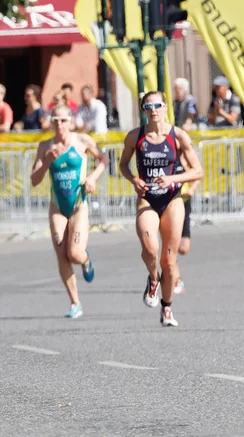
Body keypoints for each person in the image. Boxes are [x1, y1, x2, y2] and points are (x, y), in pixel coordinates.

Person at [119, 91, 203, 327]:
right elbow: (123, 165)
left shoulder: (178, 136)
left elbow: (197, 171)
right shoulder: (135, 136)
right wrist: (133, 179)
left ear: (165, 107)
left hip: (172, 200)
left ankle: (167, 308)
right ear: (144, 110)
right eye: (148, 106)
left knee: (169, 260)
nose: (153, 109)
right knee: (150, 248)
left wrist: (173, 179)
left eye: (157, 105)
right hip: (147, 200)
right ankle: (152, 279)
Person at [31, 105, 109, 318]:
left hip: (78, 206)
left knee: (74, 253)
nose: (60, 125)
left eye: (64, 120)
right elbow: (34, 180)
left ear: (71, 122)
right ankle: (75, 302)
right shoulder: (45, 146)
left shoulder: (82, 141)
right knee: (61, 254)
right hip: (57, 207)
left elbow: (104, 159)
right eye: (56, 120)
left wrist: (92, 178)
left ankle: (85, 260)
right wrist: (47, 160)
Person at [173, 153, 201, 295]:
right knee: (170, 246)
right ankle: (176, 278)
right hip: (168, 205)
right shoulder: (163, 155)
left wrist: (191, 189)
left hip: (184, 204)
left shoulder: (183, 156)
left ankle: (171, 264)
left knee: (183, 248)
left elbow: (198, 174)